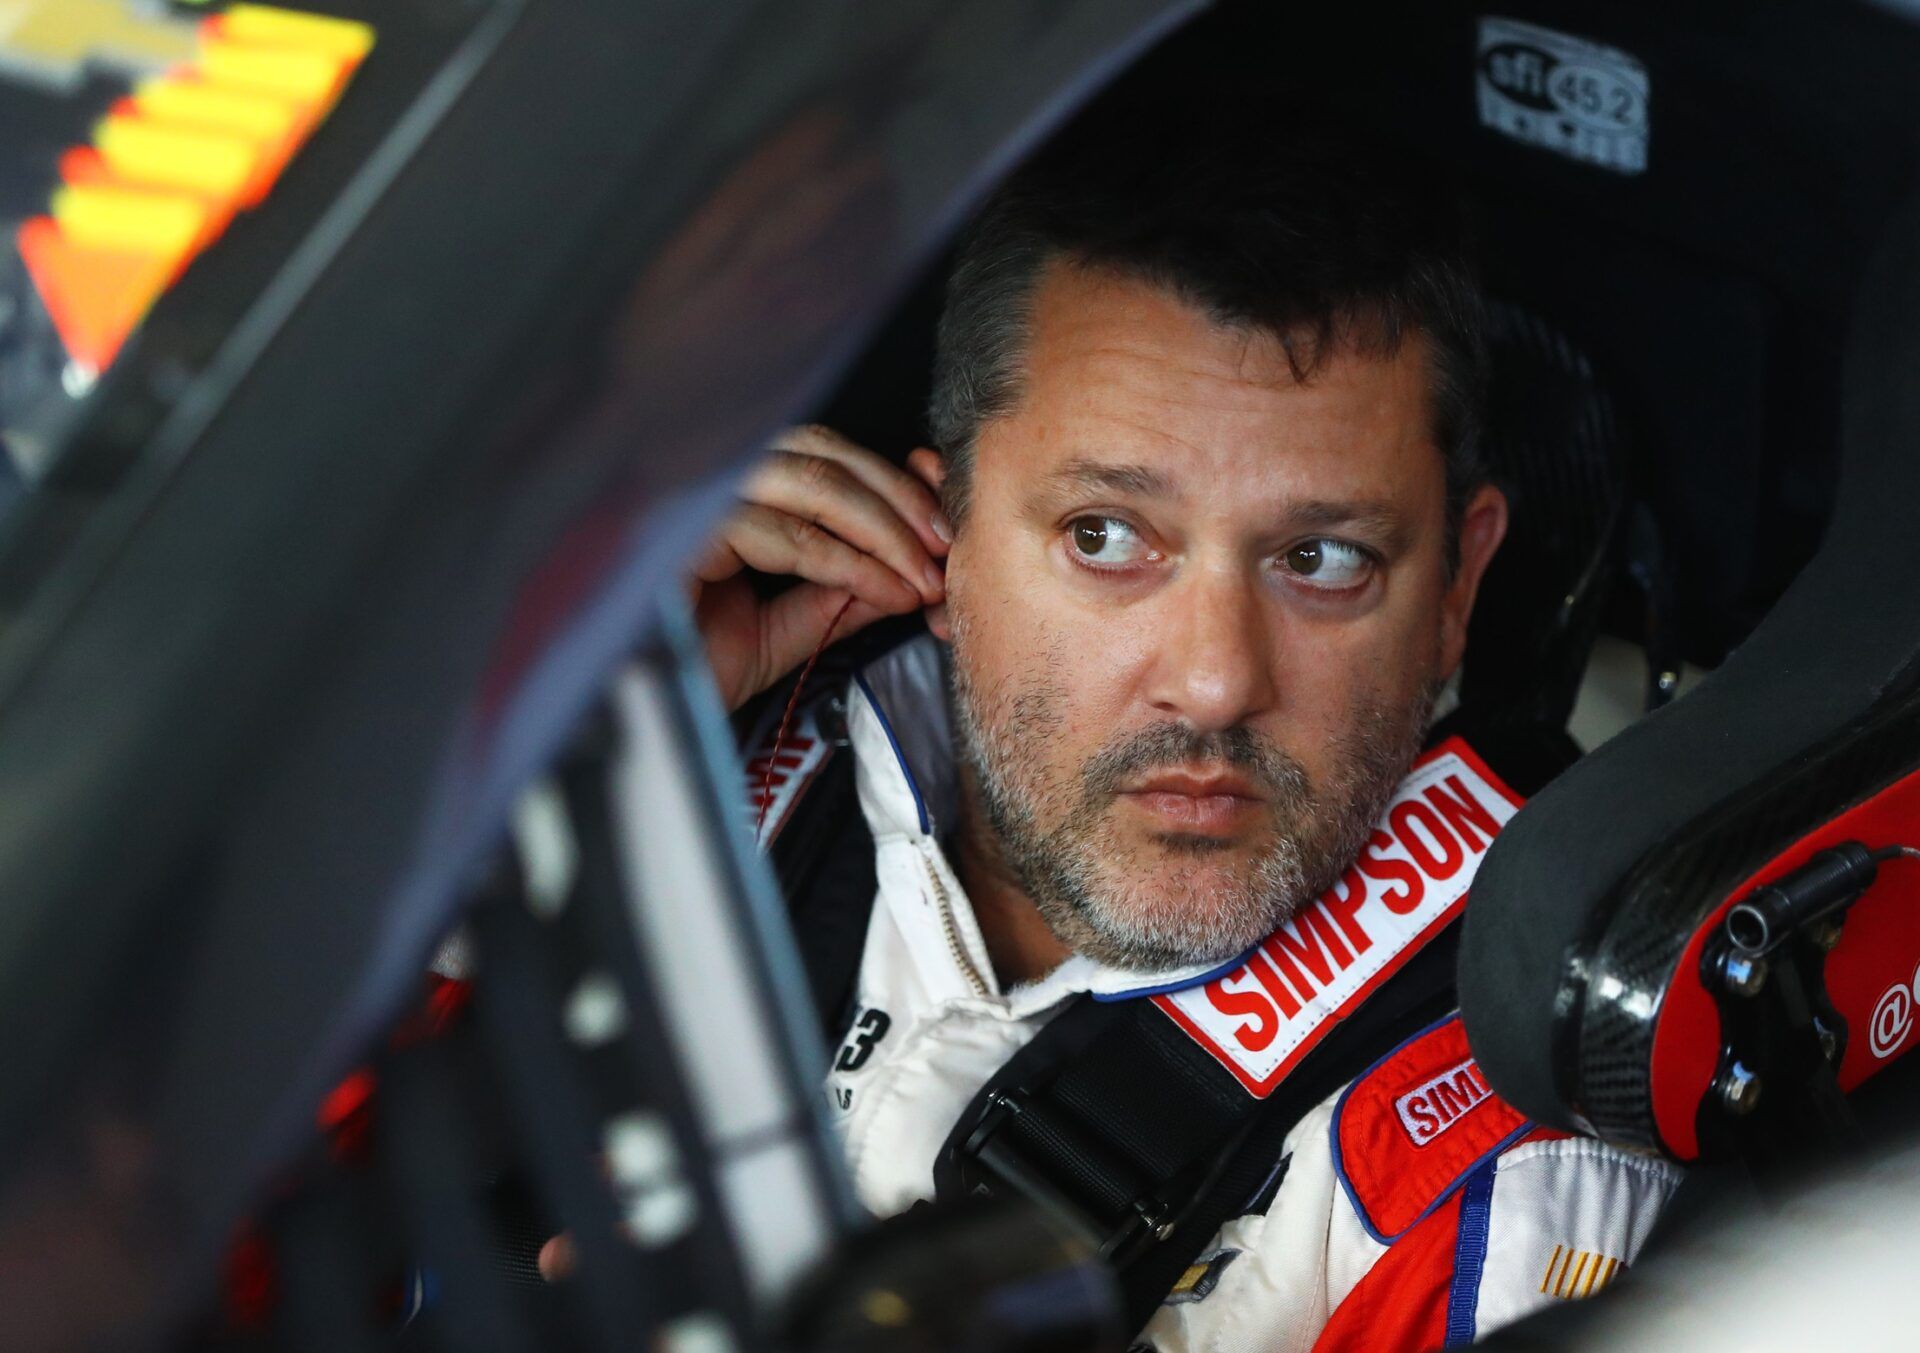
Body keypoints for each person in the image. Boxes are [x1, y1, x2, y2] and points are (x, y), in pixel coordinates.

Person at [692, 107, 1679, 1351]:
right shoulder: (685, 750)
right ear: (945, 541)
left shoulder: (1499, 1151)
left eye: (1323, 559)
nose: (1215, 682)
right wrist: (502, 739)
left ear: (1456, 592)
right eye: (1106, 537)